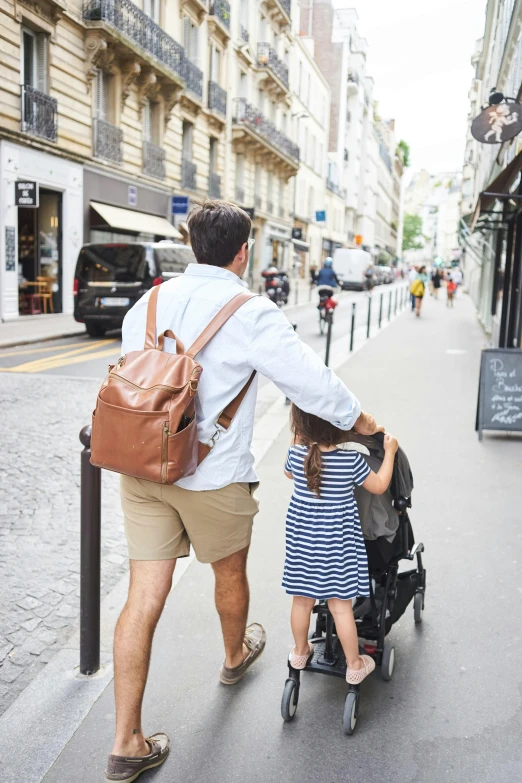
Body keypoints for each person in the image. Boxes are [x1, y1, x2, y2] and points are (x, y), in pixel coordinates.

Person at [105, 201, 382, 783]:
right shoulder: (250, 311)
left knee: (143, 598)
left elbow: (128, 374)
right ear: (243, 251)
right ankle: (235, 657)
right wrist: (366, 424)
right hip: (213, 476)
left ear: (189, 242)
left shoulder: (146, 303)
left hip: (144, 471)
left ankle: (127, 741)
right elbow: (312, 384)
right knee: (228, 575)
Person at [283, 405, 399, 683]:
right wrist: (391, 452)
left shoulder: (297, 454)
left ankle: (300, 652)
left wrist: (299, 434)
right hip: (337, 545)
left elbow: (288, 474)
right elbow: (380, 485)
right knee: (339, 606)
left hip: (302, 542)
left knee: (302, 601)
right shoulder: (350, 461)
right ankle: (355, 664)